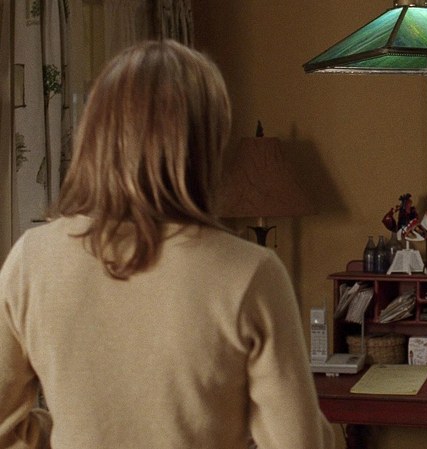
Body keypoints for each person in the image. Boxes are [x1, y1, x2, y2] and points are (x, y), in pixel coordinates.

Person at [0, 40, 334, 449]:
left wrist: (65, 432)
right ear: (204, 144)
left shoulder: (31, 260)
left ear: (95, 133)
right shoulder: (250, 272)